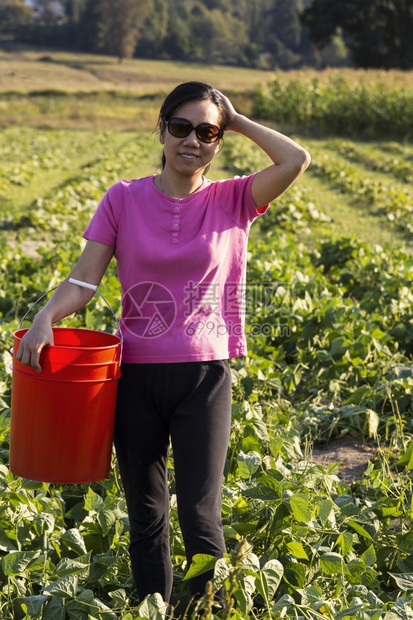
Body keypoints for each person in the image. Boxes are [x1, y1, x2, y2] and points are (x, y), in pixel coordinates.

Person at [16, 82, 310, 606]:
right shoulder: (123, 198)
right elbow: (85, 280)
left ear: (219, 141)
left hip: (204, 378)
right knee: (145, 516)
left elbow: (296, 158)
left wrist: (234, 118)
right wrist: (46, 316)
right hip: (135, 379)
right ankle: (152, 610)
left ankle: (200, 612)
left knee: (201, 516)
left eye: (206, 132)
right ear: (162, 130)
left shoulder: (234, 198)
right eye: (181, 127)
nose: (192, 141)